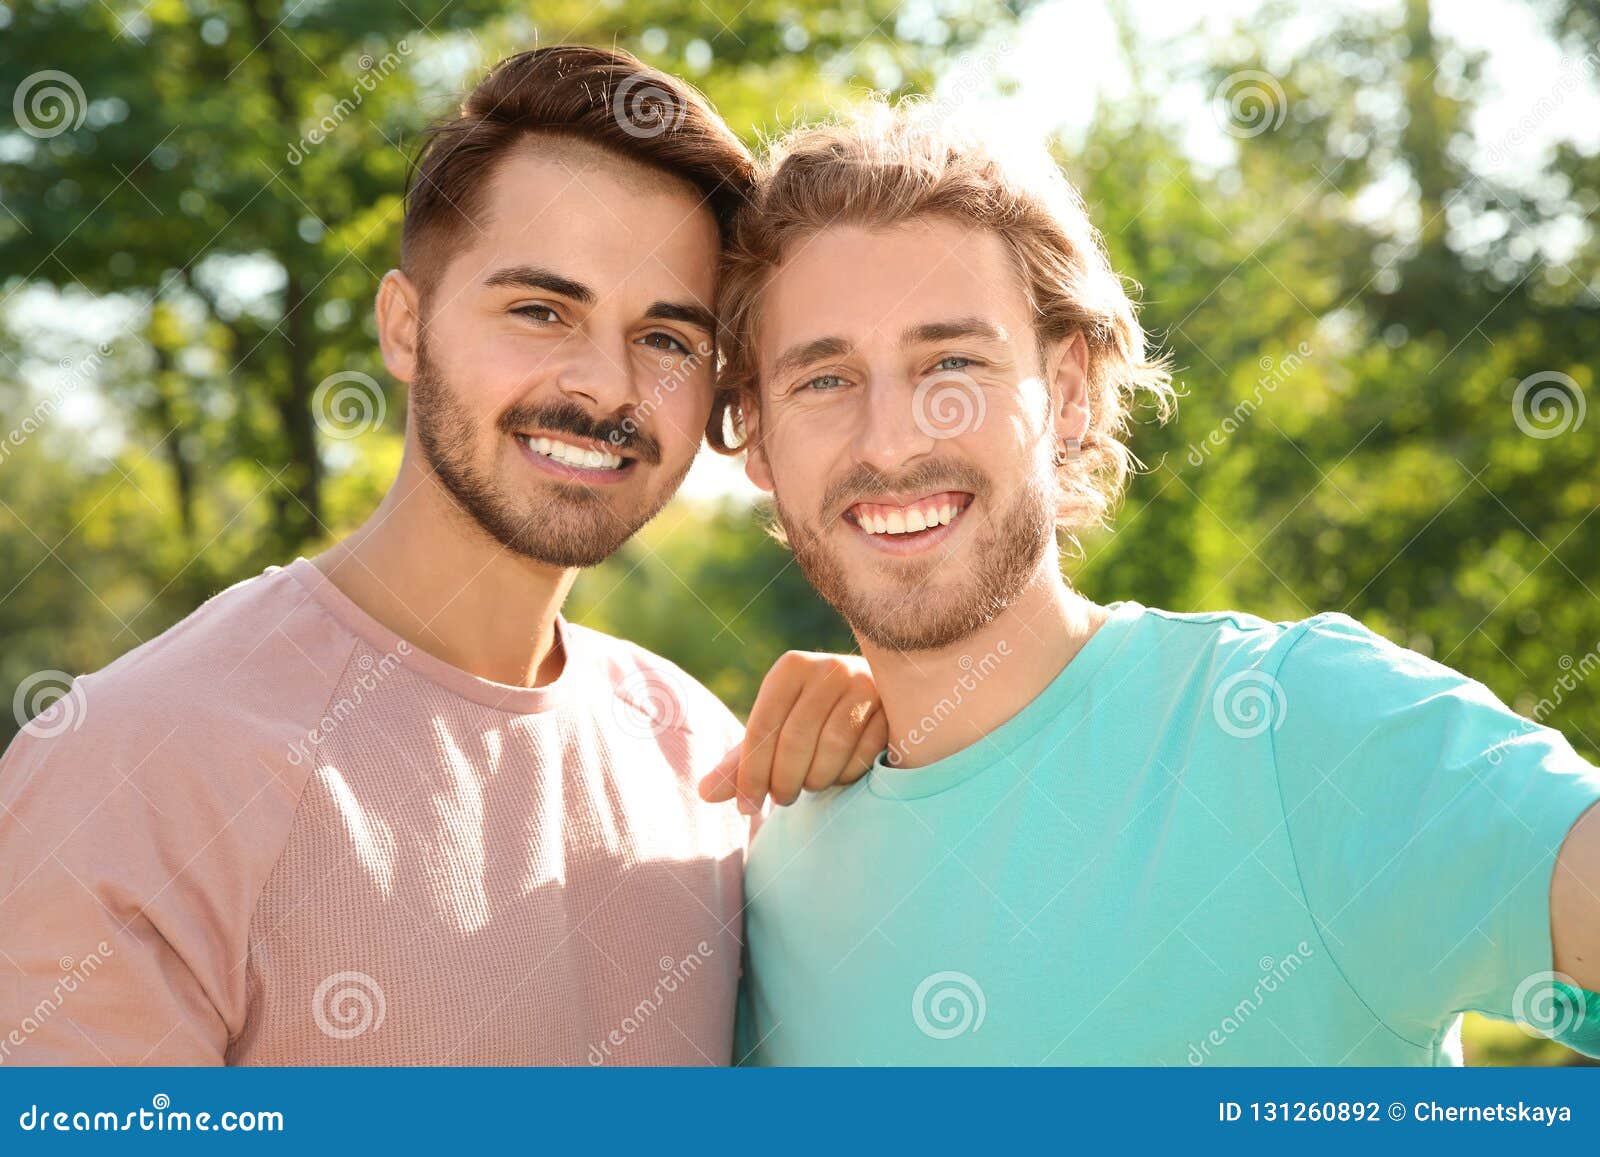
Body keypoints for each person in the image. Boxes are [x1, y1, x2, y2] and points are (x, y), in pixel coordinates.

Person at [0, 46, 884, 1067]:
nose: (604, 387)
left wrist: (886, 752)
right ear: (405, 327)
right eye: (540, 310)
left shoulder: (701, 757)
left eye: (668, 338)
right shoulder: (138, 766)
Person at [716, 108, 1600, 1065]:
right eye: (824, 380)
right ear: (757, 435)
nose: (890, 440)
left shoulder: (1297, 726)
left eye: (953, 364)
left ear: (1069, 393)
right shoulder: (762, 865)